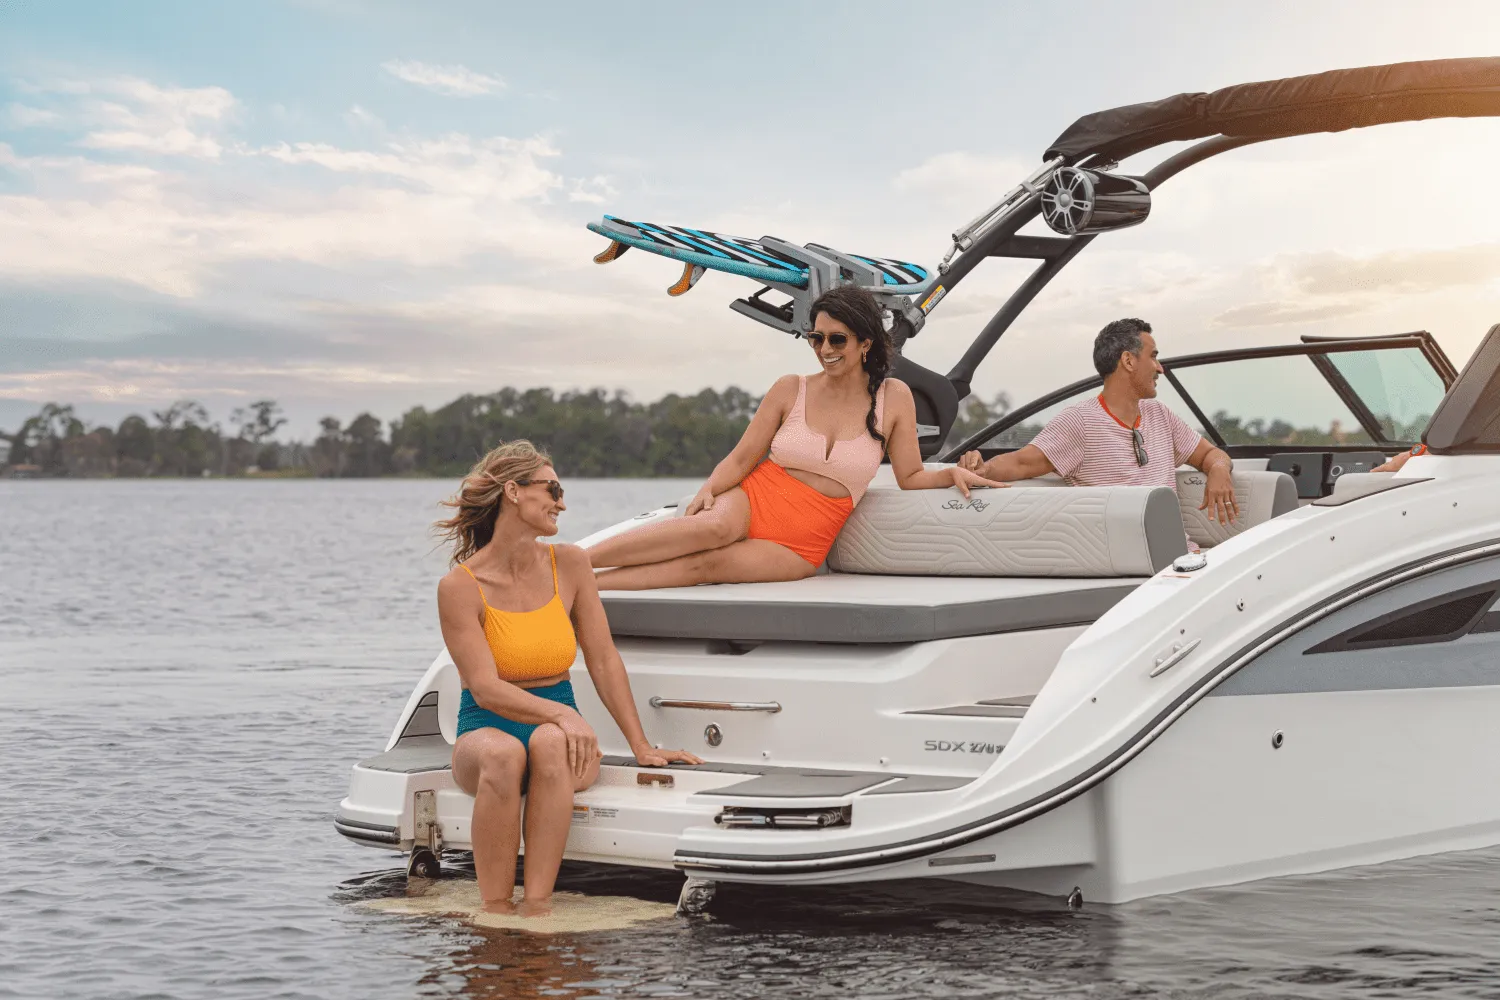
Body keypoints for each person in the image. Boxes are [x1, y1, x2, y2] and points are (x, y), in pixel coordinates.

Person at [434, 440, 702, 916]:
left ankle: (538, 907)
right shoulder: (459, 586)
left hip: (559, 735)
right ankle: (495, 910)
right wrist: (563, 715)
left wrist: (641, 745)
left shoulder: (571, 564)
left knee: (550, 743)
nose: (562, 503)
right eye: (553, 489)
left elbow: (603, 659)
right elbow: (485, 687)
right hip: (485, 725)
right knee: (504, 753)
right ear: (513, 492)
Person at [586, 285, 1004, 589]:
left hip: (804, 540)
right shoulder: (791, 388)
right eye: (816, 338)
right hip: (758, 497)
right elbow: (742, 458)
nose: (825, 349)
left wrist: (950, 473)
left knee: (707, 567)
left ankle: (588, 586)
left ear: (865, 343)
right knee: (710, 529)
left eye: (837, 339)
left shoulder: (894, 397)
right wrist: (708, 490)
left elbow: (909, 475)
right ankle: (575, 562)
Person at [958, 318, 1239, 526]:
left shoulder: (1160, 415)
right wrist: (981, 469)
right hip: (1132, 562)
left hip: (1179, 555)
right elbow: (1022, 462)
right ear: (1128, 361)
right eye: (1153, 357)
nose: (1160, 368)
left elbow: (1212, 455)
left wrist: (1218, 470)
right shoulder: (1079, 422)